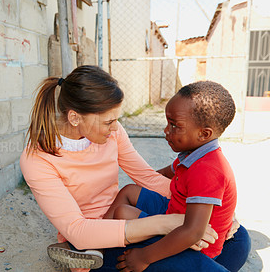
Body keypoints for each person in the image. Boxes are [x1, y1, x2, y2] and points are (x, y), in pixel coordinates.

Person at [19, 65, 250, 271]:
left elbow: (147, 177)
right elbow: (78, 230)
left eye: (115, 120)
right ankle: (85, 257)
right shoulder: (37, 160)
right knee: (196, 261)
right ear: (75, 117)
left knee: (239, 241)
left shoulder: (112, 132)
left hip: (125, 213)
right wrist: (169, 224)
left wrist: (210, 207)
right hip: (97, 238)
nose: (115, 128)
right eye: (108, 122)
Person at [112, 81, 241, 271]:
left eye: (174, 126)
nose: (166, 131)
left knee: (122, 213)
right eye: (167, 123)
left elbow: (193, 232)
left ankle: (106, 251)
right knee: (130, 191)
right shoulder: (192, 154)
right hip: (174, 214)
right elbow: (164, 173)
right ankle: (97, 241)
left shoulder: (207, 170)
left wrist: (143, 257)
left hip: (194, 245)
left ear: (204, 134)